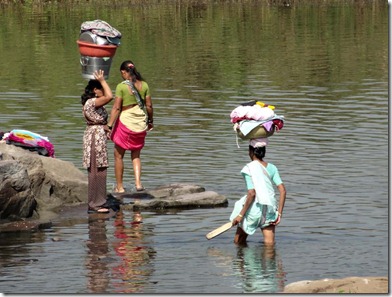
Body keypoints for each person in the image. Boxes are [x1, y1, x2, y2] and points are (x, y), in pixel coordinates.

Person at [107, 60, 154, 193]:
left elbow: (116, 108)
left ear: (123, 72)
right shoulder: (144, 85)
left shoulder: (121, 87)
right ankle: (138, 184)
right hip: (140, 123)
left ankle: (120, 187)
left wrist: (110, 125)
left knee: (118, 155)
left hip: (126, 122)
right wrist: (150, 121)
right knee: (136, 154)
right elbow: (149, 106)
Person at [230, 140, 286, 245]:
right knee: (270, 245)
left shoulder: (249, 168)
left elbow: (252, 193)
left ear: (250, 152)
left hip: (253, 212)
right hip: (269, 211)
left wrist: (240, 215)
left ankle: (242, 260)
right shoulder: (272, 168)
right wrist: (279, 214)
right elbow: (282, 190)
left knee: (238, 243)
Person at [81, 69, 113, 213]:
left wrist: (106, 128)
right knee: (95, 169)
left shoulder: (94, 103)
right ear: (95, 90)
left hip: (97, 135)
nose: (103, 91)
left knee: (100, 168)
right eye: (100, 88)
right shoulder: (92, 102)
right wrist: (102, 80)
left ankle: (99, 201)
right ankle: (95, 203)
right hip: (94, 138)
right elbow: (110, 96)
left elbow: (98, 120)